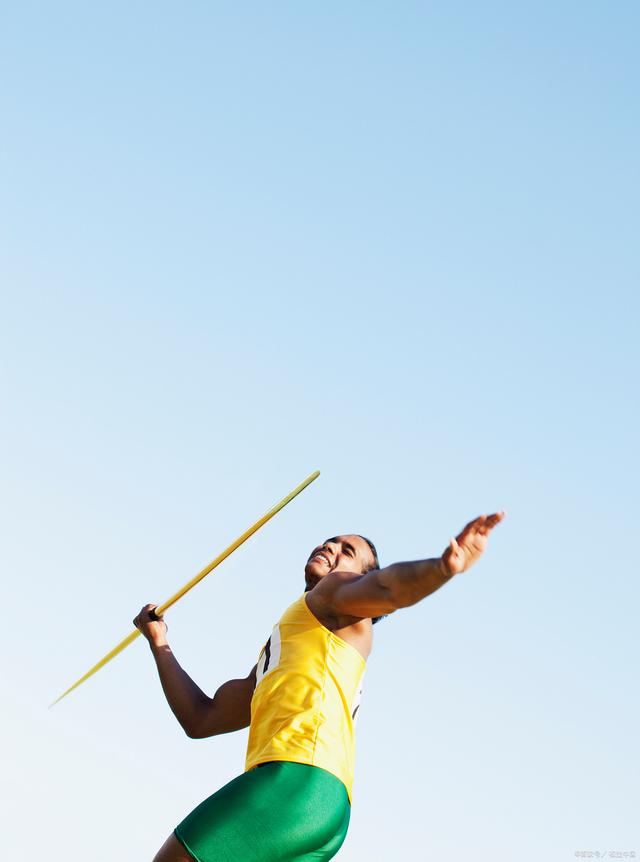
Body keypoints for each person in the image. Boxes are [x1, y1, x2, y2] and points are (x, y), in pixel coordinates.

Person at [134, 510, 506, 861]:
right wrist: (159, 642)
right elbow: (202, 719)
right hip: (325, 807)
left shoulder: (333, 593)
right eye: (330, 541)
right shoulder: (283, 654)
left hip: (296, 781)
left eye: (348, 551)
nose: (331, 548)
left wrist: (441, 568)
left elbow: (388, 587)